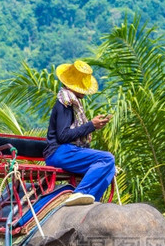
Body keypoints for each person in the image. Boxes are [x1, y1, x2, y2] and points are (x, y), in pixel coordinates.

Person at [44, 60, 115, 206]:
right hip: (59, 152)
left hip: (69, 151)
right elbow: (63, 136)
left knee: (110, 167)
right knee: (107, 159)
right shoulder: (65, 103)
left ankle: (91, 200)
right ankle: (80, 192)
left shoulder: (73, 102)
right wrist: (91, 126)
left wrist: (92, 126)